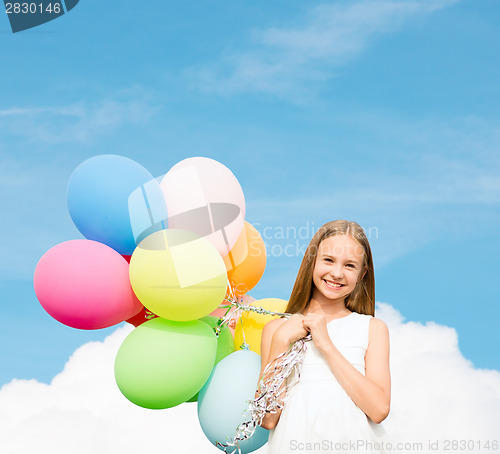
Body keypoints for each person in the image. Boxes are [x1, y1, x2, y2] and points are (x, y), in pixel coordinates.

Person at [259, 220, 390, 454]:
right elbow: (268, 419)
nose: (337, 273)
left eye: (350, 265)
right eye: (328, 260)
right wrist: (280, 342)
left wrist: (326, 345)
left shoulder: (372, 328)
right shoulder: (277, 330)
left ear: (362, 274)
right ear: (312, 262)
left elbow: (379, 409)